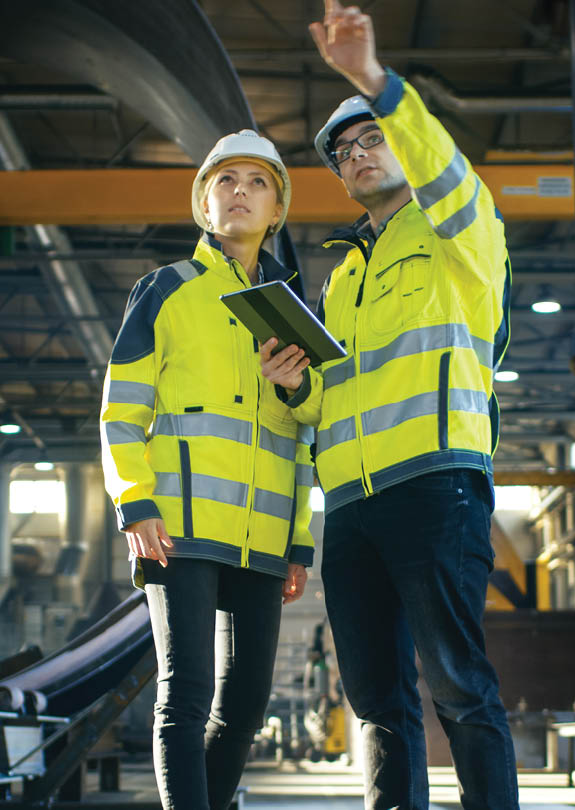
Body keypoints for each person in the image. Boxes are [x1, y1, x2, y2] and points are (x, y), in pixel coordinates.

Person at [259, 3, 519, 809]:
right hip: (353, 510)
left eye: (372, 137)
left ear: (402, 142)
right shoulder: (343, 281)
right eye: (344, 151)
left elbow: (444, 170)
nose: (358, 155)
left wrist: (373, 81)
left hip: (436, 490)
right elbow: (326, 407)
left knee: (459, 689)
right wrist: (295, 383)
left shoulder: (459, 237)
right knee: (375, 703)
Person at [100, 130, 314, 810]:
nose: (240, 192)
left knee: (248, 706)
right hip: (180, 525)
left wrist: (299, 539)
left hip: (262, 536)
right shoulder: (166, 290)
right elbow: (120, 412)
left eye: (256, 182)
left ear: (276, 208)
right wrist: (135, 500)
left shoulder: (292, 307)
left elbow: (306, 434)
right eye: (226, 180)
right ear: (204, 204)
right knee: (185, 696)